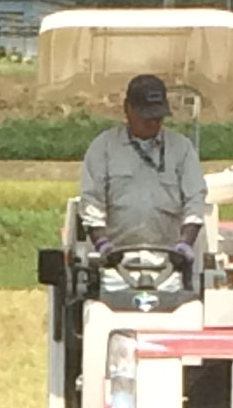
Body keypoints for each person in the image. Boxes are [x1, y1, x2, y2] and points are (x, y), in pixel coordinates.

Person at [78, 74, 209, 278]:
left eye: (158, 117)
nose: (153, 123)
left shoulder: (182, 149)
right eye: (146, 116)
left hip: (169, 265)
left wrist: (185, 244)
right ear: (127, 109)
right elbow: (92, 202)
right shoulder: (103, 147)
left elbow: (195, 200)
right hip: (114, 266)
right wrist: (103, 245)